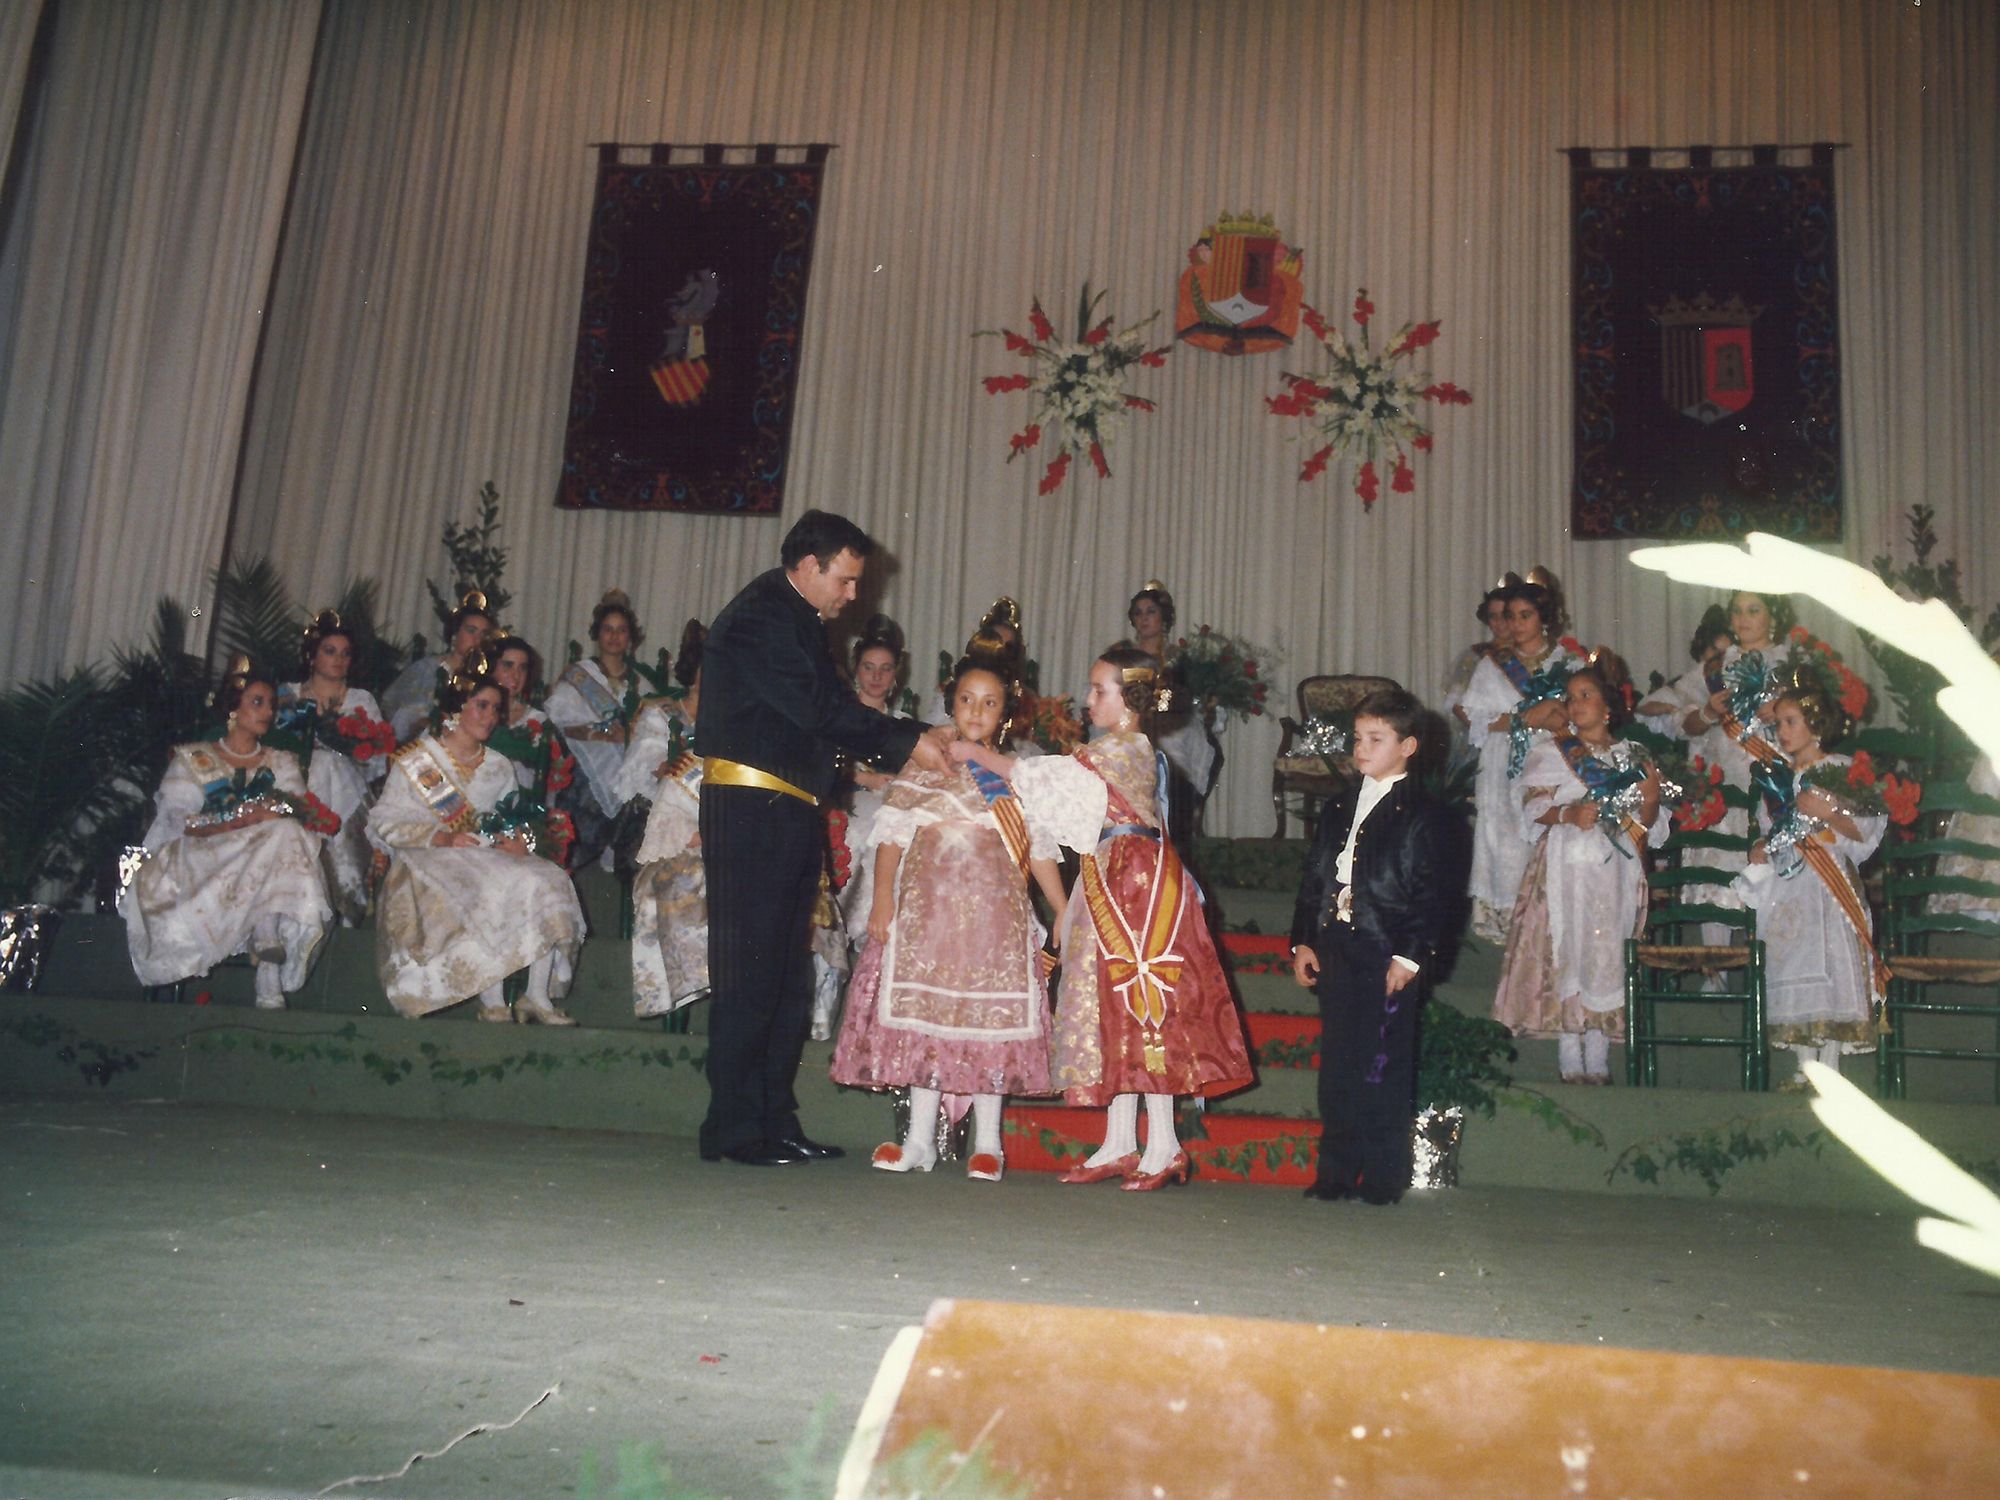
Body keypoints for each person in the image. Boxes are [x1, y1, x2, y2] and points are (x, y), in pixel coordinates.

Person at [698, 510, 950, 1166]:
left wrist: (916, 736)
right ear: (809, 566)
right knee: (749, 972)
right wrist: (911, 741)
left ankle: (773, 1118)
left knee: (787, 976)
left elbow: (834, 714)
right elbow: (820, 711)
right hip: (751, 807)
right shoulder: (761, 617)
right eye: (845, 579)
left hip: (788, 809)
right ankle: (731, 1126)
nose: (852, 595)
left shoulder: (800, 622)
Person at [953, 647, 1253, 1191]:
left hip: (1137, 884)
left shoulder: (1125, 748)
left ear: (1130, 700)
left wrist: (978, 754)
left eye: (1100, 691)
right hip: (1110, 872)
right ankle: (1120, 1139)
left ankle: (1164, 1146)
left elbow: (1044, 778)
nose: (1088, 700)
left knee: (1145, 1002)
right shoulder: (1112, 749)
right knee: (1111, 1005)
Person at [831, 636, 1062, 1181]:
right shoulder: (925, 763)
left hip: (994, 923)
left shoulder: (1014, 775)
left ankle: (988, 1142)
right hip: (927, 920)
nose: (976, 711)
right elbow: (892, 837)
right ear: (950, 702)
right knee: (925, 1021)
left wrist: (1061, 910)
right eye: (966, 700)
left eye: (989, 702)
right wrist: (883, 899)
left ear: (1005, 714)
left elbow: (1040, 849)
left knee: (989, 1023)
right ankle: (918, 1141)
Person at [1289, 687, 1463, 1204]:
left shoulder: (1427, 814)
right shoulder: (1340, 805)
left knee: (1382, 1062)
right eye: (1357, 738)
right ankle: (1336, 1173)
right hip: (1337, 943)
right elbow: (1315, 874)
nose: (1361, 749)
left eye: (1376, 739)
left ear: (1408, 746)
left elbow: (1434, 895)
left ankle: (1385, 1175)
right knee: (1339, 1063)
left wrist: (1409, 956)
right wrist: (1303, 941)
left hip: (1387, 952)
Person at [370, 660, 587, 1023]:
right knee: (491, 883)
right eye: (481, 706)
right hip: (429, 857)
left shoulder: (500, 765)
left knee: (544, 876)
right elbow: (384, 820)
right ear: (457, 708)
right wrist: (440, 836)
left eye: (495, 709)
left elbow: (514, 817)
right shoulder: (419, 759)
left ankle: (536, 995)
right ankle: (492, 998)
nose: (490, 716)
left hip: (484, 853)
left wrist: (522, 843)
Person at [1491, 658, 1667, 1085]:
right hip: (1565, 865)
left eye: (1586, 695)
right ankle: (1570, 1050)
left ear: (1609, 705)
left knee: (1605, 949)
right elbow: (1533, 807)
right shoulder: (1551, 752)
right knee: (1569, 947)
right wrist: (1569, 813)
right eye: (1570, 698)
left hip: (1614, 871)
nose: (1576, 703)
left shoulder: (1633, 756)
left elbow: (1648, 823)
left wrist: (1650, 797)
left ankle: (1599, 1053)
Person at [123, 660, 333, 1009]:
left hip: (263, 852)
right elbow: (177, 819)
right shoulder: (194, 758)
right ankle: (266, 952)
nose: (268, 711)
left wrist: (269, 813)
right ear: (232, 708)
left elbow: (297, 807)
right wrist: (232, 822)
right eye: (257, 702)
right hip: (205, 853)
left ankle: (268, 949)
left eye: (271, 705)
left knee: (284, 831)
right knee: (279, 835)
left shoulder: (280, 761)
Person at [1733, 676, 1888, 1086]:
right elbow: (1771, 828)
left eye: (1790, 722)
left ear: (1816, 725)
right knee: (1791, 960)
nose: (1781, 732)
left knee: (1833, 963)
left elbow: (1866, 829)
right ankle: (1805, 1066)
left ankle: (1831, 1066)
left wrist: (1830, 812)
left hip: (1828, 880)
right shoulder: (1775, 778)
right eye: (1779, 723)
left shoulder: (1839, 770)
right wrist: (1761, 846)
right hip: (1788, 885)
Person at [1460, 576, 1581, 943]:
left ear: (1543, 619)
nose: (1515, 624)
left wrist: (1554, 714)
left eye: (1525, 615)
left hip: (1551, 760)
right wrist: (1522, 718)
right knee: (1505, 837)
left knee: (1548, 833)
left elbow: (1580, 714)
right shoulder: (1492, 665)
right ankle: (1510, 927)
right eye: (1510, 616)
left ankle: (1548, 923)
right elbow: (1475, 717)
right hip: (1502, 762)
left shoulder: (1568, 662)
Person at [280, 610, 393, 923]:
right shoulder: (287, 695)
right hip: (292, 787)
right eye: (330, 652)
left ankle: (343, 893)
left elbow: (375, 761)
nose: (338, 659)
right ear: (312, 656)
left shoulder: (361, 700)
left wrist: (344, 745)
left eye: (345, 654)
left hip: (348, 788)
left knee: (328, 765)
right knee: (318, 767)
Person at [626, 621, 710, 1018]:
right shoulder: (662, 712)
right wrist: (665, 767)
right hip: (662, 815)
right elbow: (640, 767)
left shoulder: (737, 719)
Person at [546, 589, 645, 870]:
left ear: (630, 637)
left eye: (621, 630)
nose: (614, 637)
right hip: (583, 765)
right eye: (607, 630)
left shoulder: (640, 684)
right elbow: (559, 717)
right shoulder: (581, 674)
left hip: (625, 768)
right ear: (597, 634)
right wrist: (599, 735)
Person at [380, 588, 493, 742]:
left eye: (483, 634)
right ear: (455, 634)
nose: (477, 639)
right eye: (471, 631)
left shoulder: (487, 678)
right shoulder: (426, 669)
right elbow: (392, 708)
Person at [1441, 580, 1515, 777]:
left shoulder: (1533, 655)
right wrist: (1492, 727)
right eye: (1493, 616)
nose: (1499, 623)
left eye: (1505, 616)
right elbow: (1456, 705)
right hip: (1483, 742)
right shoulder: (1475, 656)